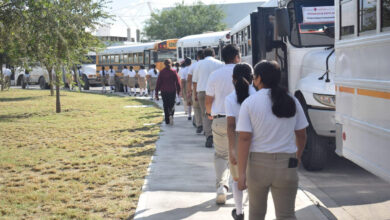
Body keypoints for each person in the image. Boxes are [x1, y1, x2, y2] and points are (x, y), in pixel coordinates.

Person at [236, 60, 309, 220]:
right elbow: (302, 134)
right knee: (287, 215)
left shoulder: (249, 103)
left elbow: (244, 139)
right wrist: (296, 157)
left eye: (254, 76)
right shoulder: (292, 101)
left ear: (259, 78)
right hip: (287, 163)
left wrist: (241, 173)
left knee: (256, 214)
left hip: (257, 165)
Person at [205, 44, 241, 205]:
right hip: (241, 120)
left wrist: (209, 113)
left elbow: (208, 99)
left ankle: (221, 186)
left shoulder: (215, 74)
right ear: (237, 56)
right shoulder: (245, 70)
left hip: (220, 119)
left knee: (221, 155)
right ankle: (240, 186)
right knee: (242, 154)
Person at [224, 63, 256, 220]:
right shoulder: (258, 95)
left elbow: (230, 126)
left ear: (233, 78)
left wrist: (232, 149)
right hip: (257, 140)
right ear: (253, 78)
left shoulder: (230, 99)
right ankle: (253, 208)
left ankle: (239, 212)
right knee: (254, 177)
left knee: (237, 179)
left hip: (237, 140)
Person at [193, 48, 224, 148]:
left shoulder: (198, 64)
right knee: (217, 113)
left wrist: (195, 94)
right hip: (217, 91)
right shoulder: (220, 63)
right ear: (214, 54)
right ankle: (217, 134)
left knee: (205, 113)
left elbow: (195, 81)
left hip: (202, 91)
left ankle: (209, 135)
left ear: (203, 55)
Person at [155, 59, 181, 125]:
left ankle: (167, 120)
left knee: (165, 105)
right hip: (172, 90)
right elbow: (178, 82)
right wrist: (179, 91)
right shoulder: (174, 71)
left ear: (164, 64)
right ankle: (171, 114)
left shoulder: (162, 72)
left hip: (164, 91)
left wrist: (156, 93)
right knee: (172, 104)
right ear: (171, 63)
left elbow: (158, 83)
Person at [187, 50, 204, 133]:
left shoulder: (193, 66)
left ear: (197, 57)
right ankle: (206, 127)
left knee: (197, 108)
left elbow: (189, 80)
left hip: (196, 89)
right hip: (209, 90)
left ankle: (199, 124)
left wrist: (189, 91)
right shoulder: (212, 64)